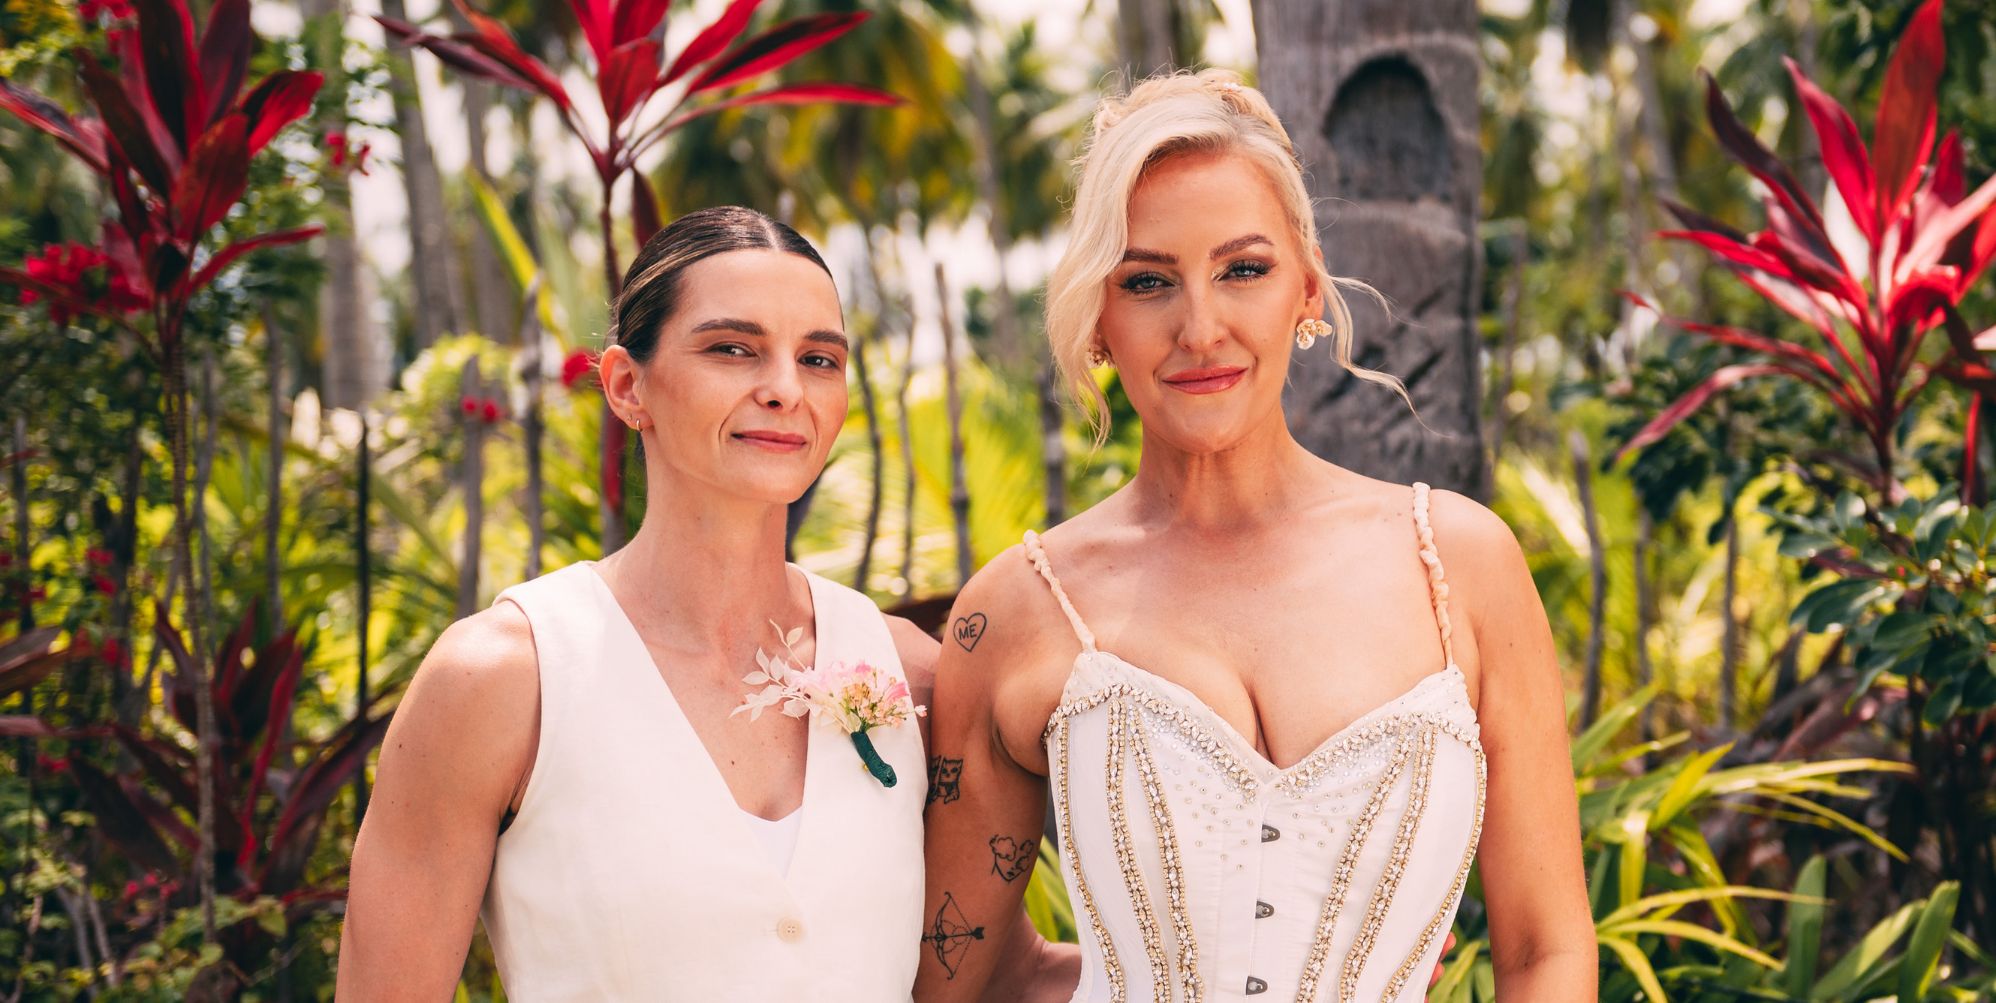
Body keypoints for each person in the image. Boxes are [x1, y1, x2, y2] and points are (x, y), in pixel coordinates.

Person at [915, 71, 1596, 1002]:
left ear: (1307, 288)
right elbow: (960, 979)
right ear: (1100, 320)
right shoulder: (1017, 607)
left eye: (1244, 269)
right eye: (1148, 281)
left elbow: (1545, 951)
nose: (1202, 328)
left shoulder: (1459, 564)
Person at [337, 206, 1059, 1001]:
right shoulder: (505, 679)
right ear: (625, 385)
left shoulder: (911, 672)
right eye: (732, 349)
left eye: (819, 359)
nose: (785, 389)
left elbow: (1006, 975)